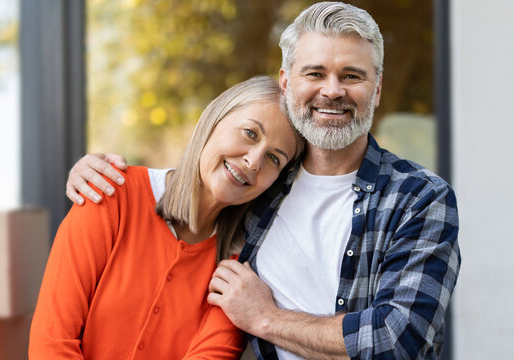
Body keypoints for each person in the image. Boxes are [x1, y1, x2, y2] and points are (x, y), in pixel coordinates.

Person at [66, 2, 461, 359]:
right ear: (287, 83)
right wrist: (97, 171)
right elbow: (192, 186)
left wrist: (265, 318)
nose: (332, 90)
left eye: (352, 75)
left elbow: (396, 341)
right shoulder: (259, 183)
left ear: (376, 91)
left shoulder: (419, 198)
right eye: (315, 73)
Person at [29, 76, 304, 359]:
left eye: (274, 158)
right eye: (250, 133)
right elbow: (51, 343)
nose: (254, 161)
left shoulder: (239, 272)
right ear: (213, 119)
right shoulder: (110, 193)